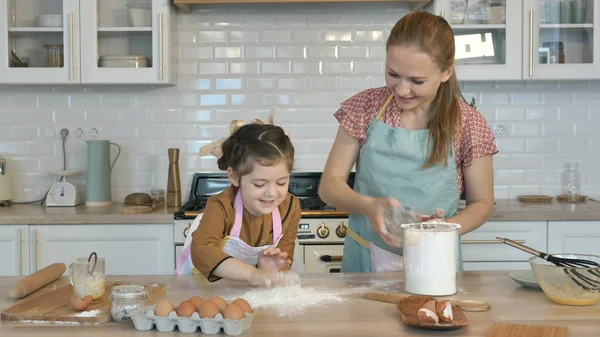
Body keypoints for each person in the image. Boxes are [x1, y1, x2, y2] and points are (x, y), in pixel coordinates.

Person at [317, 11, 498, 273]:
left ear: (446, 72)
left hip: (436, 260)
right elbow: (329, 187)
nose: (402, 89)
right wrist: (369, 206)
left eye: (417, 81)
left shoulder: (468, 123)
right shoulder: (364, 108)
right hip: (365, 259)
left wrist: (442, 229)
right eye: (393, 74)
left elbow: (482, 203)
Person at [178, 123, 302, 286]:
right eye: (259, 184)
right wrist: (252, 273)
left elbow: (285, 258)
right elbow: (202, 251)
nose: (271, 193)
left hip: (247, 292)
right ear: (235, 177)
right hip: (205, 288)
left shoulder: (290, 208)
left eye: (281, 182)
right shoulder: (221, 206)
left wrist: (269, 270)